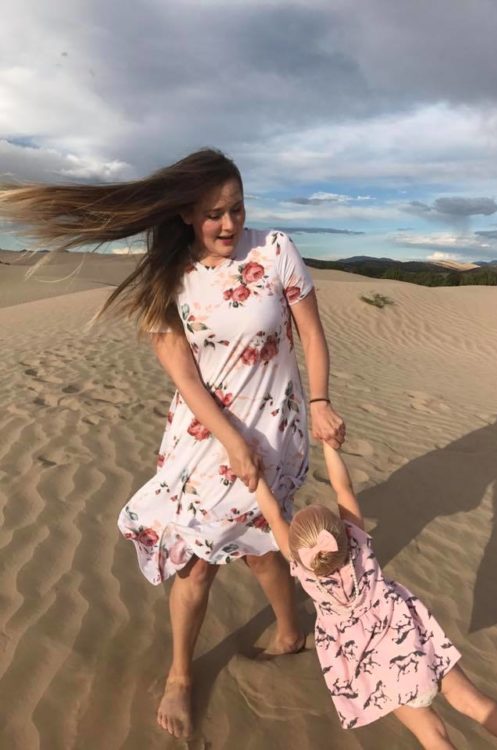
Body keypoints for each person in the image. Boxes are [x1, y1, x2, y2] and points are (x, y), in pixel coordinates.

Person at [0, 148, 346, 740]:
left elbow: (311, 334)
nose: (230, 224)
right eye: (214, 214)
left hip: (277, 431)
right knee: (196, 560)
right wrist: (231, 441)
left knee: (263, 544)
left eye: (237, 208)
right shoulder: (168, 276)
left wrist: (318, 402)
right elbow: (183, 374)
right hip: (206, 436)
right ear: (186, 214)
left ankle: (290, 631)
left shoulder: (276, 250)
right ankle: (181, 677)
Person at [254, 443, 497, 750]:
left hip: (376, 664)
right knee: (472, 701)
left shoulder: (303, 570)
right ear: (343, 533)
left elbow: (272, 515)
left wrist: (254, 478)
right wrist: (329, 444)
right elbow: (343, 487)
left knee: (432, 734)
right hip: (412, 642)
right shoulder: (357, 544)